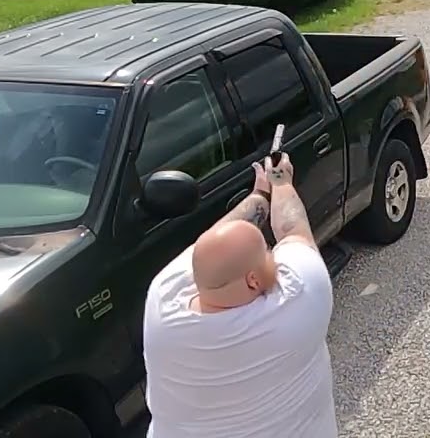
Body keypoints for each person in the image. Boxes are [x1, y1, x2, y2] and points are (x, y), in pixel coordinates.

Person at [142, 154, 338, 437]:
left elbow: (212, 242)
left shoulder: (161, 301)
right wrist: (280, 182)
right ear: (253, 280)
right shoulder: (299, 302)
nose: (273, 255)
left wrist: (259, 194)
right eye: (267, 254)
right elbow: (294, 231)